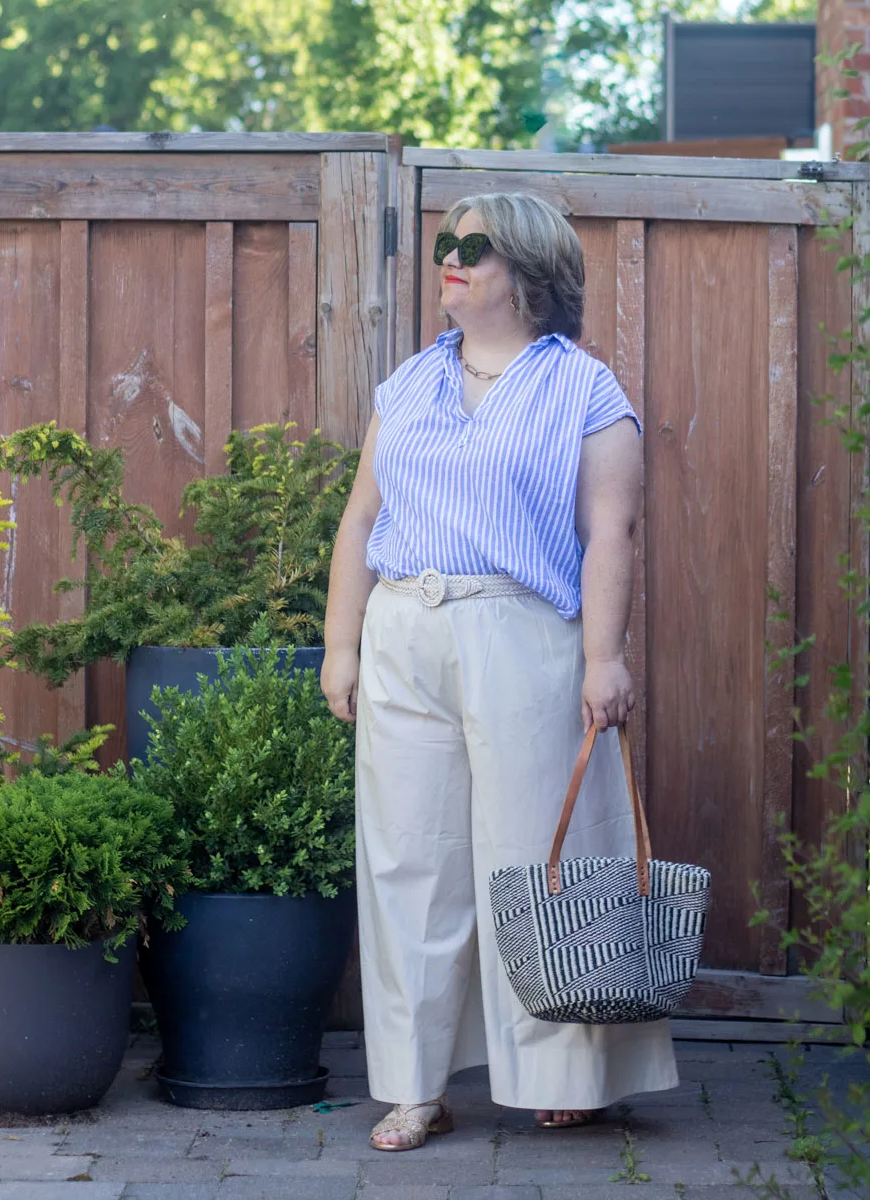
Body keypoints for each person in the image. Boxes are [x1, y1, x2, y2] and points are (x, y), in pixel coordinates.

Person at [321, 191, 678, 1153]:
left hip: (522, 633)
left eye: (471, 246)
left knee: (542, 860)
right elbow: (360, 520)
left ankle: (568, 1071)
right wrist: (342, 642)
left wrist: (604, 659)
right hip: (406, 630)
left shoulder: (584, 388)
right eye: (446, 242)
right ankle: (412, 1085)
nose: (450, 257)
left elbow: (613, 531)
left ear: (525, 269)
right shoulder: (408, 386)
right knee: (409, 862)